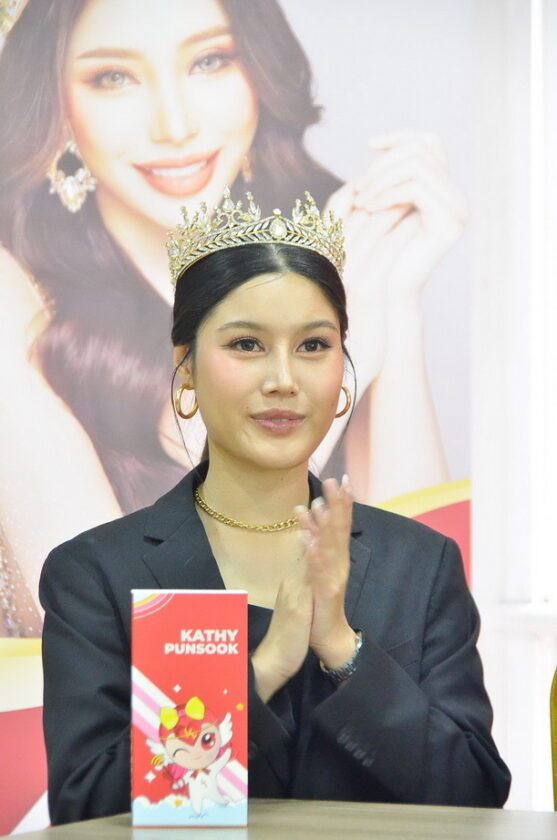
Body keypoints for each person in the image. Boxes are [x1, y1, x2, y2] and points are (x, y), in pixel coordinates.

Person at [40, 190, 510, 825]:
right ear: (186, 369)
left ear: (342, 373)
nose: (284, 379)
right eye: (246, 345)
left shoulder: (419, 565)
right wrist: (261, 672)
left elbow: (475, 794)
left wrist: (342, 648)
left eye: (313, 346)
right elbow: (87, 808)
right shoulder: (99, 573)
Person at [0, 0, 465, 637]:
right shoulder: (13, 295)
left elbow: (427, 630)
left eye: (210, 61)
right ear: (54, 102)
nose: (175, 124)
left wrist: (396, 297)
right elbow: (136, 650)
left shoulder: (317, 259)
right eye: (114, 76)